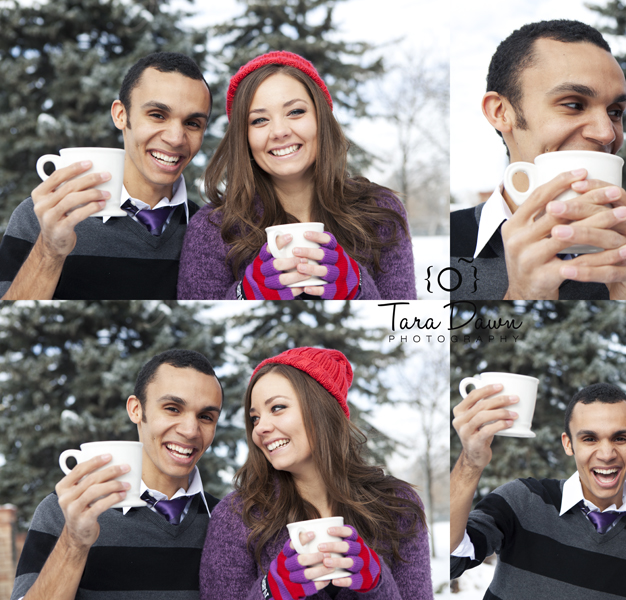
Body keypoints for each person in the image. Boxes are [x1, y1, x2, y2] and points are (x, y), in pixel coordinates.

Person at [449, 19, 626, 301]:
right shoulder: (447, 247)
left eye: (615, 112)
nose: (606, 134)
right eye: (574, 105)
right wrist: (521, 295)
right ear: (502, 112)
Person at [177, 52, 415, 301]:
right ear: (244, 137)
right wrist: (243, 294)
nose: (279, 131)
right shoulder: (213, 228)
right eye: (259, 120)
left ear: (321, 119)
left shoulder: (381, 212)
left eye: (295, 112)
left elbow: (400, 310)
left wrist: (357, 287)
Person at [199, 347, 431, 599]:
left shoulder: (398, 506)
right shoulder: (237, 516)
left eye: (277, 407)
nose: (260, 428)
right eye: (254, 418)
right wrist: (270, 591)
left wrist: (377, 583)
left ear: (321, 410)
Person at [12, 349, 224, 599]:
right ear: (136, 409)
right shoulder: (64, 512)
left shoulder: (229, 523)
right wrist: (75, 543)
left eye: (206, 416)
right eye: (173, 408)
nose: (190, 430)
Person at [0, 52, 213, 300]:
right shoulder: (42, 217)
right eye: (157, 115)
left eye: (193, 123)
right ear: (120, 115)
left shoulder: (214, 234)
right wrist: (50, 252)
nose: (176, 138)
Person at [451, 382, 626, 600]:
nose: (606, 454)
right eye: (589, 439)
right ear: (568, 444)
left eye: (620, 438)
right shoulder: (523, 500)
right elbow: (452, 559)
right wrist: (471, 463)